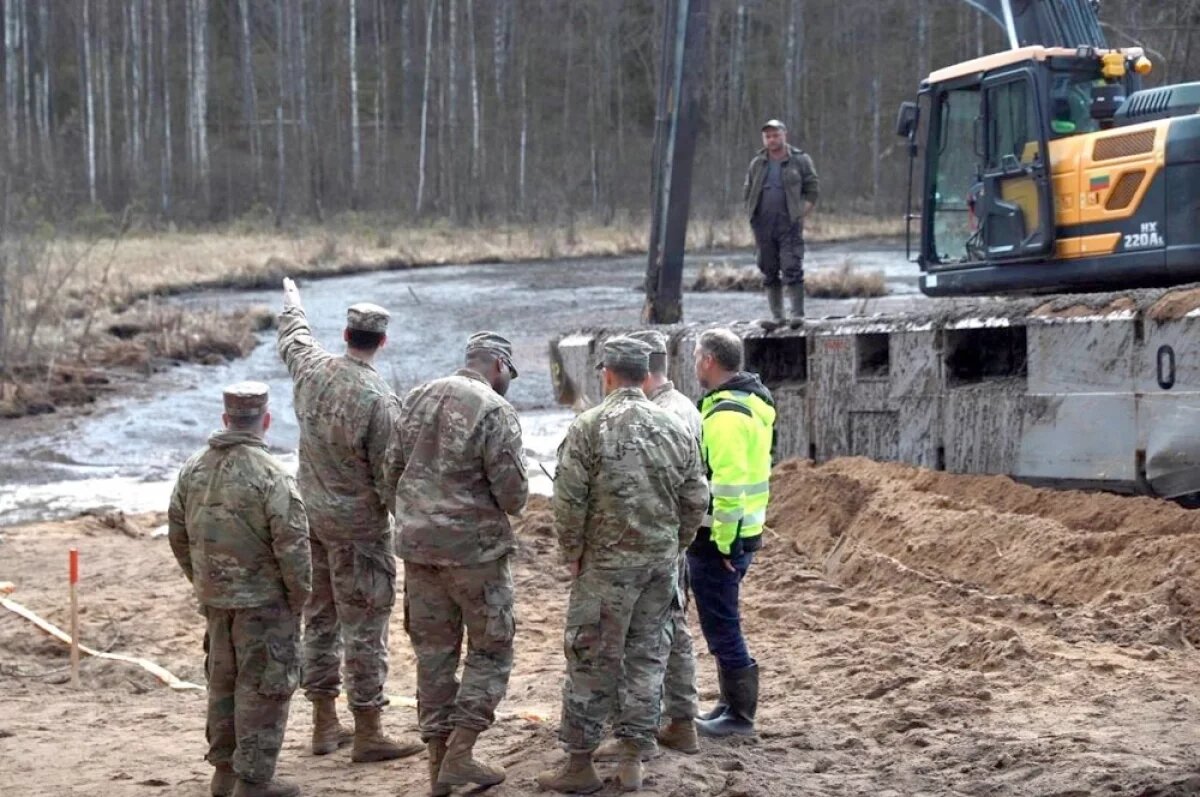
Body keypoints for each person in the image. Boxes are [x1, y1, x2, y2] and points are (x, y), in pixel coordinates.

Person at [538, 337, 709, 794]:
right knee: (647, 657)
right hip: (658, 565)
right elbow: (696, 497)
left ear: (608, 374)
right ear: (645, 372)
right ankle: (633, 758)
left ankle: (579, 765)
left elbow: (569, 500)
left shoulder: (589, 426)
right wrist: (677, 544)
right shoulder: (675, 426)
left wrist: (571, 554)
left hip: (606, 567)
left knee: (590, 658)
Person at [276, 278, 421, 764]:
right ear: (382, 342)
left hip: (310, 521)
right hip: (359, 532)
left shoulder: (312, 371)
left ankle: (323, 723)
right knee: (364, 629)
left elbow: (294, 339)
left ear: (344, 334)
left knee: (318, 620)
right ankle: (368, 730)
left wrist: (293, 304)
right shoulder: (380, 401)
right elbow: (391, 480)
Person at [388, 332, 528, 795]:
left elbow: (391, 471)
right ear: (500, 366)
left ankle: (437, 767)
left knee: (433, 657)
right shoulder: (494, 410)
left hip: (418, 551)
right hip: (475, 557)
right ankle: (462, 752)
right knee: (491, 650)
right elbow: (513, 496)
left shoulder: (416, 397)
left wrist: (416, 518)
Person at [168, 382, 312, 797]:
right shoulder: (273, 476)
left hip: (216, 601)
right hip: (264, 604)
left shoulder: (192, 468)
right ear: (265, 421)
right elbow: (293, 549)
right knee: (264, 687)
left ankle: (224, 774)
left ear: (225, 418)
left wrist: (203, 581)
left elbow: (177, 533)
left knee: (223, 683)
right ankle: (253, 782)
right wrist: (297, 600)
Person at [594, 329, 703, 761]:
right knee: (671, 633)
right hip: (667, 544)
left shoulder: (667, 413)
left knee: (657, 637)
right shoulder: (680, 409)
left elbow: (685, 490)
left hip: (653, 547)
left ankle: (660, 723)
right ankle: (678, 720)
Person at [689, 328, 776, 738]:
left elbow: (727, 485)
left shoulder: (724, 414)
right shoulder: (750, 403)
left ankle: (739, 715)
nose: (694, 365)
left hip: (720, 540)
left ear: (708, 360)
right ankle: (729, 704)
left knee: (722, 625)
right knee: (721, 621)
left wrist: (724, 543)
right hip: (744, 532)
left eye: (695, 357)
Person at [744, 119, 820, 324]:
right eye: (768, 136)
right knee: (768, 269)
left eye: (775, 135)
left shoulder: (800, 160)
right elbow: (748, 190)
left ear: (784, 135)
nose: (772, 139)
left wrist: (801, 211)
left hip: (789, 223)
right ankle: (778, 317)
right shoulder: (757, 163)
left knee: (791, 266)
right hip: (763, 224)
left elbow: (812, 188)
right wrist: (751, 215)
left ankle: (797, 315)